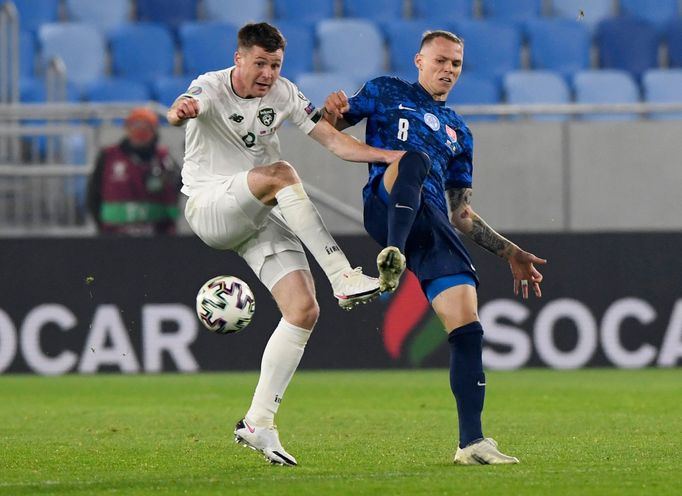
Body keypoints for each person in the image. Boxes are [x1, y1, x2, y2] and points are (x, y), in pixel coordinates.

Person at [166, 22, 404, 466]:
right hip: (210, 206)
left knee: (303, 310)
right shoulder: (211, 87)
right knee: (281, 172)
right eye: (259, 63)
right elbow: (185, 107)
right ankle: (342, 274)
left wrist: (391, 157)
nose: (267, 74)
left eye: (275, 65)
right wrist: (181, 111)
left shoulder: (284, 93)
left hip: (256, 214)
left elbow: (334, 141)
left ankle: (259, 423)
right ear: (239, 59)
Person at [322, 30, 547, 465]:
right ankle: (392, 253)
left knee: (468, 329)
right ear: (419, 61)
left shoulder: (460, 133)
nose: (448, 69)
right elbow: (329, 128)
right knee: (414, 160)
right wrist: (331, 112)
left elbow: (461, 213)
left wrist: (510, 252)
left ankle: (471, 443)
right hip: (385, 205)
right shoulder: (386, 90)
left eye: (456, 64)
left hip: (433, 226)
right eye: (440, 61)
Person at [87, 107, 181, 236]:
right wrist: (101, 229)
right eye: (135, 125)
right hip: (114, 236)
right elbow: (93, 195)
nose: (140, 131)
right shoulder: (108, 157)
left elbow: (180, 187)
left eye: (146, 127)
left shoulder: (165, 160)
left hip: (158, 237)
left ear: (155, 131)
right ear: (127, 129)